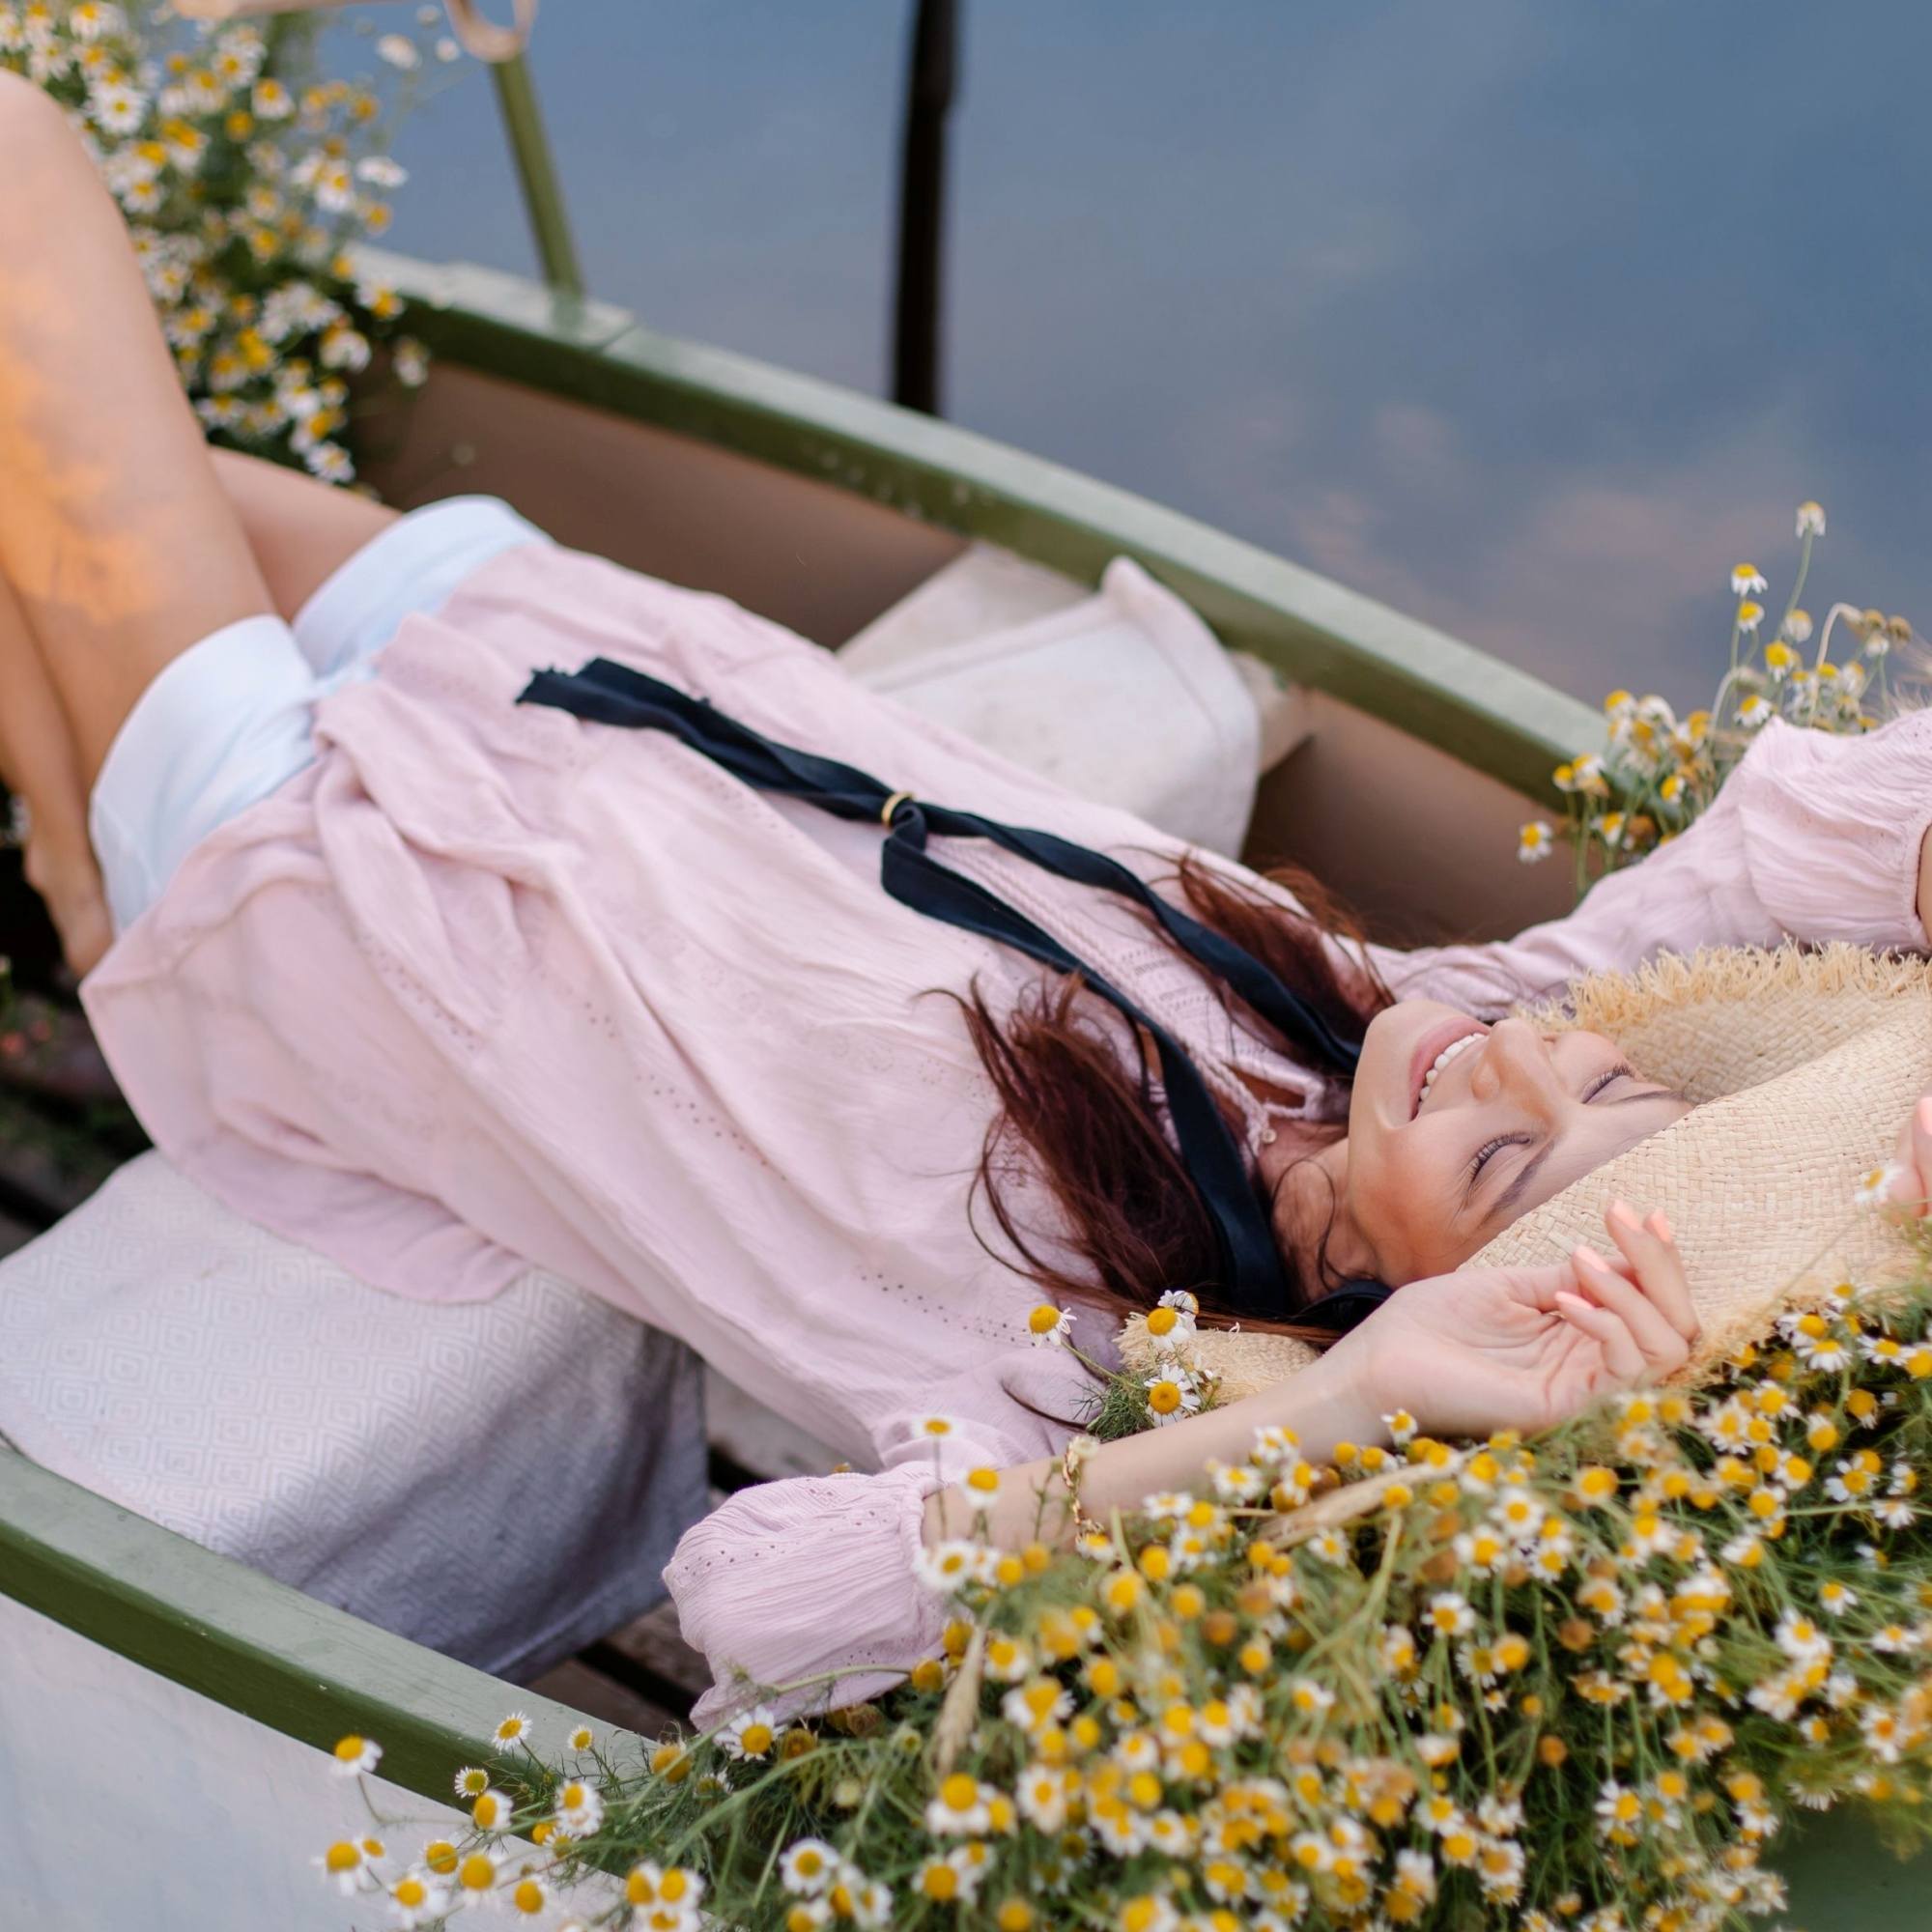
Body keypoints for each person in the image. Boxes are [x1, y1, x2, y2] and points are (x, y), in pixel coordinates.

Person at [2, 72, 1928, 1723]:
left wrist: (1339, 1415)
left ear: (1387, 1298)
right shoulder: (1387, 1008)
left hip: (354, 883)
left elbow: (758, 1600)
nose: (1521, 1064)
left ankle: (116, 892)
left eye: (1505, 1165)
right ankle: (83, 875)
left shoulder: (1084, 1366)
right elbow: (1792, 843)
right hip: (572, 672)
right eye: (1602, 1078)